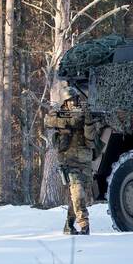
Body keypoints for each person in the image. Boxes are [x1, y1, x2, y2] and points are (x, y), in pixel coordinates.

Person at [44, 86, 99, 235]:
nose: (73, 102)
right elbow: (48, 120)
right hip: (69, 160)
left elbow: (91, 139)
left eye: (75, 99)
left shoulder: (85, 112)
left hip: (84, 159)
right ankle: (84, 224)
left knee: (79, 196)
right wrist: (67, 123)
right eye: (70, 100)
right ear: (65, 102)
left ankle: (69, 225)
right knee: (78, 192)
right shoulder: (59, 113)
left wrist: (88, 122)